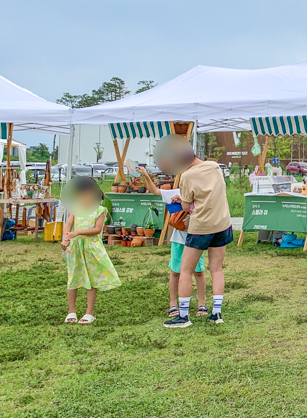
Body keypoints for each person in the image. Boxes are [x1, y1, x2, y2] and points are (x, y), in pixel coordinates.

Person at [156, 136, 232, 328]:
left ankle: (183, 316)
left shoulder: (187, 176)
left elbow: (186, 204)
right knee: (216, 269)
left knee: (185, 270)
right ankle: (216, 313)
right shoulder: (215, 166)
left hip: (201, 228)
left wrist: (180, 200)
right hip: (222, 224)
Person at [137, 165, 208, 320]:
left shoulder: (201, 195)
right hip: (179, 239)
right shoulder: (175, 192)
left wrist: (185, 201)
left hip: (196, 237)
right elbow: (155, 191)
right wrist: (145, 175)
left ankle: (202, 303)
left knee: (199, 271)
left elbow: (206, 208)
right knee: (175, 271)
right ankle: (172, 304)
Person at [60, 176, 121, 324]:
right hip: (75, 248)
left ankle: (89, 312)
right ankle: (71, 311)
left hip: (92, 247)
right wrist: (66, 238)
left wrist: (78, 233)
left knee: (92, 279)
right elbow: (68, 224)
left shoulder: (100, 210)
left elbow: (97, 229)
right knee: (73, 278)